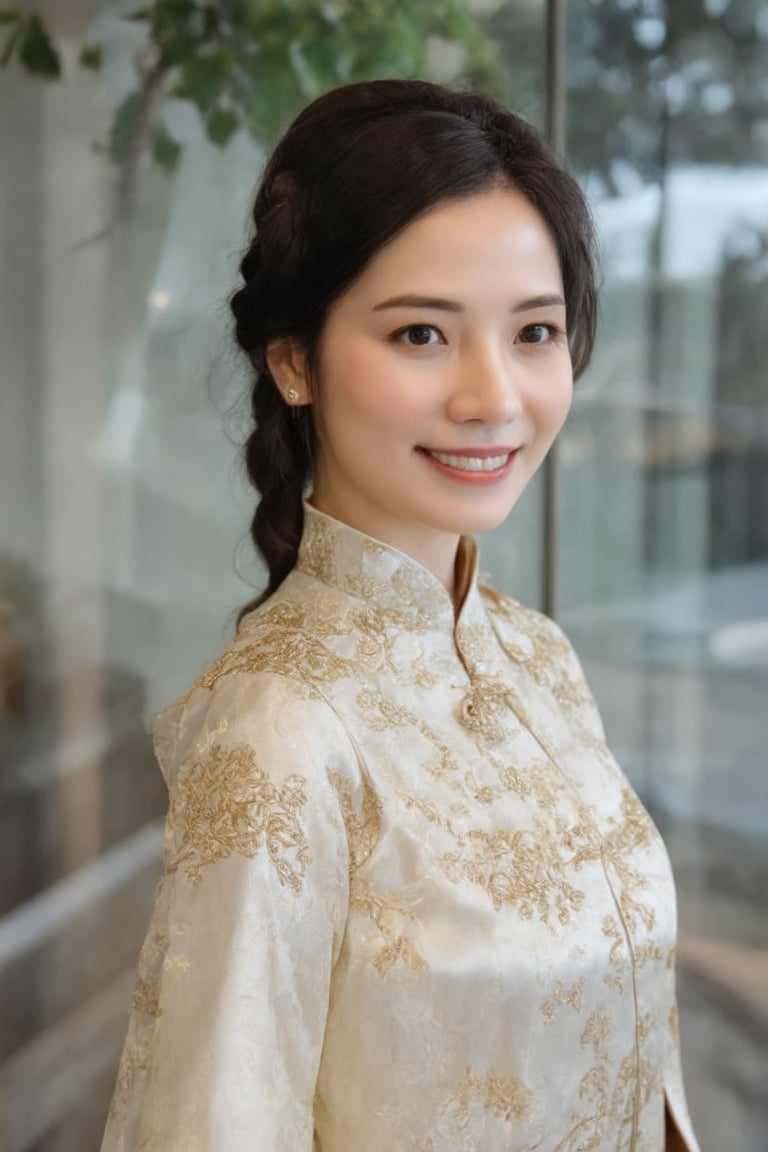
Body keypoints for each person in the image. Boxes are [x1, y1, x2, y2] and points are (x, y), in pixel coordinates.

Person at [101, 79, 700, 1152]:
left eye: (535, 332)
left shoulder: (537, 655)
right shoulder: (279, 732)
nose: (493, 397)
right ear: (294, 361)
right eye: (421, 333)